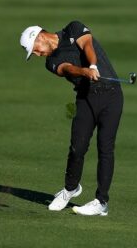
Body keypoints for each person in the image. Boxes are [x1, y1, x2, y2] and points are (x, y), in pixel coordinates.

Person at [20, 21, 123, 216]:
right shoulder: (50, 62)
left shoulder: (73, 29)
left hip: (112, 96)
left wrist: (92, 65)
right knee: (78, 147)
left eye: (35, 50)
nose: (36, 54)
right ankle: (70, 189)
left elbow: (87, 45)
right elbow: (67, 69)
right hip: (85, 99)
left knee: (105, 147)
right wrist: (85, 71)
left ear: (40, 37)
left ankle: (101, 202)